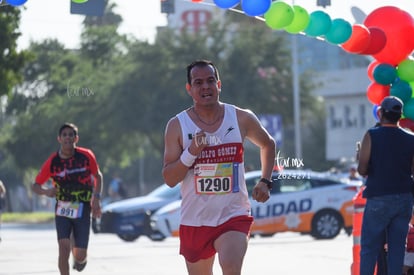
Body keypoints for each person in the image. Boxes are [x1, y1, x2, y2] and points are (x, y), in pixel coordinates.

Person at [162, 59, 276, 275]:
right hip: (195, 220)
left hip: (233, 215)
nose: (205, 87)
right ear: (189, 89)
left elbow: (268, 144)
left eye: (210, 80)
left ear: (219, 85)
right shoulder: (177, 125)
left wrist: (265, 181)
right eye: (198, 82)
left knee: (231, 268)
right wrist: (191, 152)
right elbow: (169, 178)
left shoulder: (241, 118)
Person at [32, 123, 103, 275]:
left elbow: (98, 176)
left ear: (76, 138)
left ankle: (79, 258)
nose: (68, 137)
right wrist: (46, 191)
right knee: (63, 250)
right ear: (59, 139)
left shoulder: (86, 155)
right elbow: (35, 186)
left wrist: (96, 198)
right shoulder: (53, 162)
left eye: (71, 135)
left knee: (80, 255)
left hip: (83, 208)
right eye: (64, 135)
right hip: (63, 208)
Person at [357, 96, 414, 275]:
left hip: (378, 198)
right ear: (399, 115)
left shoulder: (371, 136)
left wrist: (360, 155)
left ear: (380, 113)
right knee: (397, 251)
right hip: (404, 198)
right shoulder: (411, 138)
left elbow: (362, 169)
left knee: (369, 249)